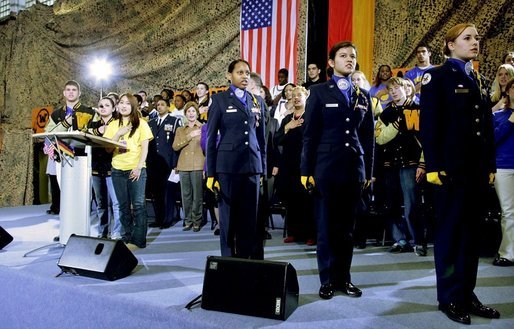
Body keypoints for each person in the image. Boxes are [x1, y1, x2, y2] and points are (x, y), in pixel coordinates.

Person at [420, 23, 500, 325]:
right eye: (468, 38)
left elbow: (485, 128)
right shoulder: (437, 77)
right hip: (450, 172)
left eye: (477, 38)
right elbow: (430, 125)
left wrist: (490, 166)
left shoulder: (475, 77)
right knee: (451, 237)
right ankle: (449, 297)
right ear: (450, 45)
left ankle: (467, 293)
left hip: (476, 172)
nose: (475, 42)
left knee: (472, 237)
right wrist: (435, 166)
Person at [301, 41, 374, 300]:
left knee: (347, 229)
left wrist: (368, 171)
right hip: (326, 169)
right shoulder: (319, 92)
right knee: (326, 228)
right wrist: (305, 170)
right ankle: (327, 280)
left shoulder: (363, 95)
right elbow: (309, 135)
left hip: (353, 169)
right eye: (343, 56)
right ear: (331, 63)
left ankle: (344, 279)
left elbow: (368, 138)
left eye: (353, 56)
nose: (349, 59)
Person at [206, 59, 267, 259]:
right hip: (228, 168)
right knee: (228, 219)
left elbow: (261, 138)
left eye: (247, 72)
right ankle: (228, 262)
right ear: (229, 75)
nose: (244, 76)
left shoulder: (256, 100)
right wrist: (211, 173)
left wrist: (263, 168)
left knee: (250, 219)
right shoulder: (220, 100)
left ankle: (247, 262)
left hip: (251, 166)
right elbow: (210, 138)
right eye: (240, 72)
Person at [375, 77, 426, 256]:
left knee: (412, 205)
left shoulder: (419, 110)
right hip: (390, 165)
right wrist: (397, 124)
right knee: (392, 205)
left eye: (397, 87)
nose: (394, 91)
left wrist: (423, 163)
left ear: (408, 88)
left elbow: (427, 140)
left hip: (411, 164)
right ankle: (400, 239)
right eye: (391, 89)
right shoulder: (385, 113)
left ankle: (418, 241)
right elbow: (380, 139)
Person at [104, 93, 153, 250]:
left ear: (133, 106)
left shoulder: (142, 124)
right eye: (121, 102)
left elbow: (145, 148)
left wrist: (138, 167)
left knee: (138, 205)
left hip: (136, 169)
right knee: (123, 206)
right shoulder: (112, 125)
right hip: (117, 169)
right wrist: (118, 134)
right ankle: (127, 236)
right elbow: (108, 148)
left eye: (127, 103)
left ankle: (139, 240)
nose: (124, 105)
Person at [275, 86, 316, 245]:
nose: (296, 98)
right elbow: (277, 139)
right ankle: (294, 232)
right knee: (292, 200)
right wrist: (287, 127)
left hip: (306, 164)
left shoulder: (311, 117)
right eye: (293, 96)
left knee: (308, 200)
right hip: (289, 165)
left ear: (306, 97)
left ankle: (311, 234)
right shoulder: (286, 119)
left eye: (300, 95)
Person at [89, 97, 121, 239]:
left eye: (107, 105)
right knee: (101, 204)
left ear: (113, 108)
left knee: (116, 203)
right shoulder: (93, 124)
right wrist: (98, 131)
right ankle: (103, 232)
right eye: (101, 105)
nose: (103, 108)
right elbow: (85, 134)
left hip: (112, 167)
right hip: (96, 167)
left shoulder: (118, 124)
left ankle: (117, 232)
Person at [147, 98, 181, 229]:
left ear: (168, 107)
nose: (159, 107)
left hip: (168, 163)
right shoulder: (151, 122)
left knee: (167, 192)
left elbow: (176, 143)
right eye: (158, 105)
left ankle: (168, 219)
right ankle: (159, 218)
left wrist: (176, 163)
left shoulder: (174, 121)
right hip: (154, 163)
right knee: (156, 192)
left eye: (162, 105)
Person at [492, 77, 514, 267]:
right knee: (508, 211)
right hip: (504, 166)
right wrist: (511, 120)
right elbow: (493, 140)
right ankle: (507, 253)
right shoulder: (498, 115)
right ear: (508, 92)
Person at [172, 102, 205, 232]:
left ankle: (197, 220)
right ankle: (188, 220)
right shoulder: (180, 130)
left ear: (197, 113)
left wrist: (206, 168)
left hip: (198, 164)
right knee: (186, 195)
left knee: (197, 195)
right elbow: (175, 146)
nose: (191, 114)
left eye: (193, 111)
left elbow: (207, 148)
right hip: (183, 165)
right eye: (188, 111)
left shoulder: (203, 128)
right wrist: (189, 136)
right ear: (185, 114)